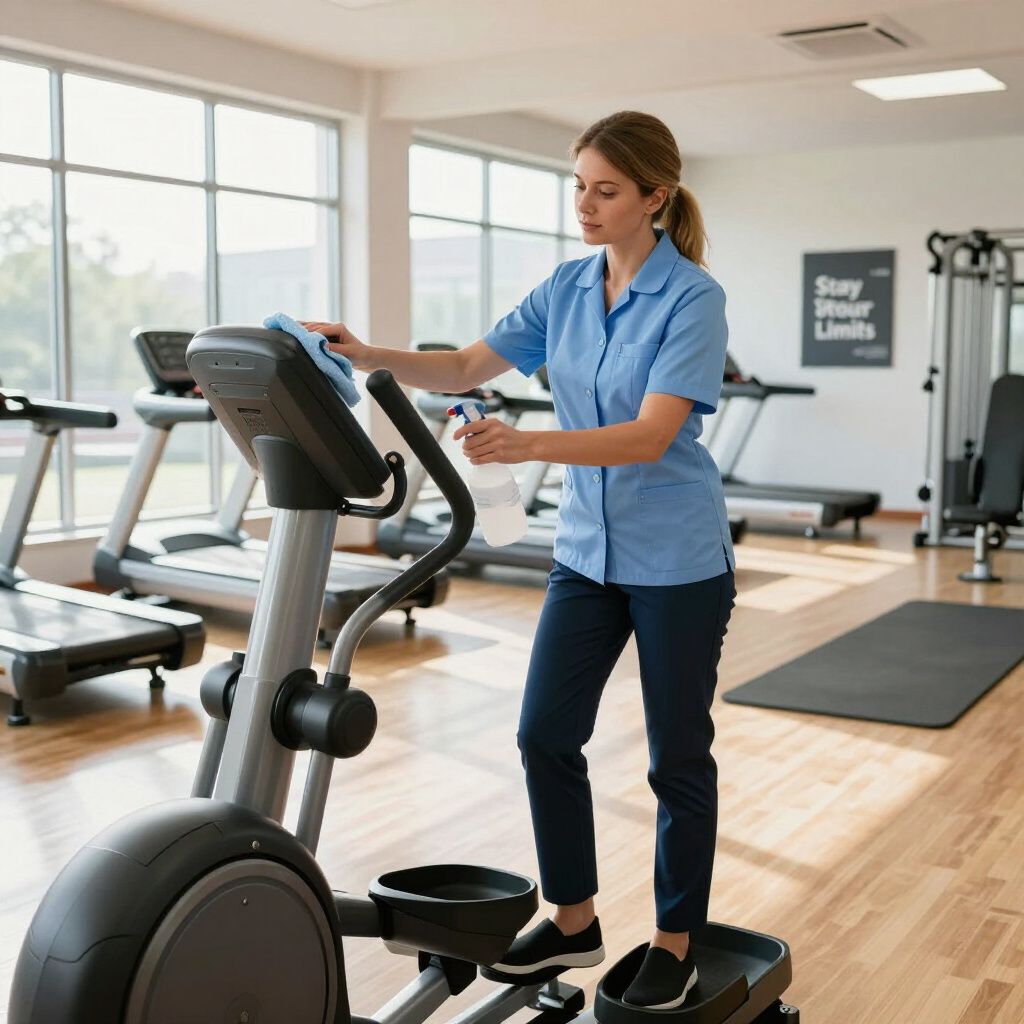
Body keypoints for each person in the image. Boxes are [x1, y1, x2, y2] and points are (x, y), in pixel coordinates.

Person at [302, 109, 736, 1011]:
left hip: (677, 562)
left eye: (606, 189)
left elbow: (655, 436)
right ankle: (574, 923)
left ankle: (675, 941)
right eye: (579, 183)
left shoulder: (694, 297)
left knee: (677, 758)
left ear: (655, 198)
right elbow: (465, 364)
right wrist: (363, 351)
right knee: (544, 734)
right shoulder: (567, 289)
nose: (585, 203)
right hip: (587, 553)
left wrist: (530, 446)